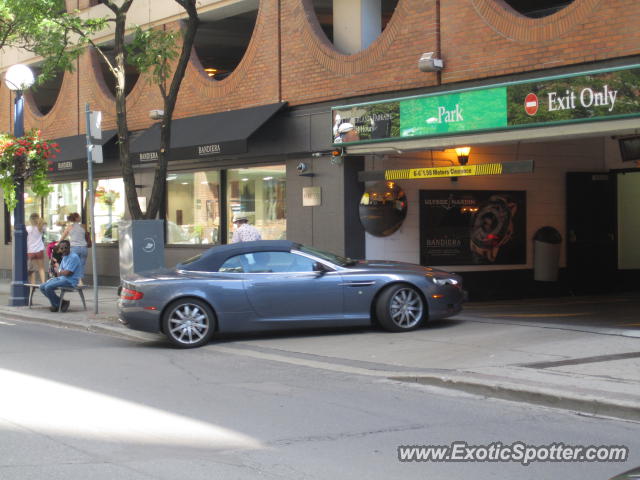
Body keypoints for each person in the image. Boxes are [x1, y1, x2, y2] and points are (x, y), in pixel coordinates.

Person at [39, 240, 82, 312]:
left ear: (69, 247)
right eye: (61, 248)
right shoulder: (64, 257)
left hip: (70, 281)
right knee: (42, 287)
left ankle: (56, 305)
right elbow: (60, 272)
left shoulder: (74, 257)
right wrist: (60, 272)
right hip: (62, 278)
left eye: (65, 247)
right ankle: (61, 303)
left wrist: (60, 271)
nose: (64, 250)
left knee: (48, 287)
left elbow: (68, 273)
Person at [59, 212, 88, 285]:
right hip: (84, 247)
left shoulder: (69, 227)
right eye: (79, 216)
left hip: (74, 248)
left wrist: (57, 244)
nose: (80, 217)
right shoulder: (83, 226)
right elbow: (86, 235)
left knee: (73, 264)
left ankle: (76, 280)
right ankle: (80, 281)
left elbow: (62, 238)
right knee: (81, 264)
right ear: (77, 218)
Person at [26, 213, 47, 284]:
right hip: (39, 250)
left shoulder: (27, 228)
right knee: (41, 268)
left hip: (30, 250)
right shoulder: (41, 227)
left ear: (30, 220)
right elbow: (44, 224)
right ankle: (43, 283)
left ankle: (33, 283)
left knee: (31, 269)